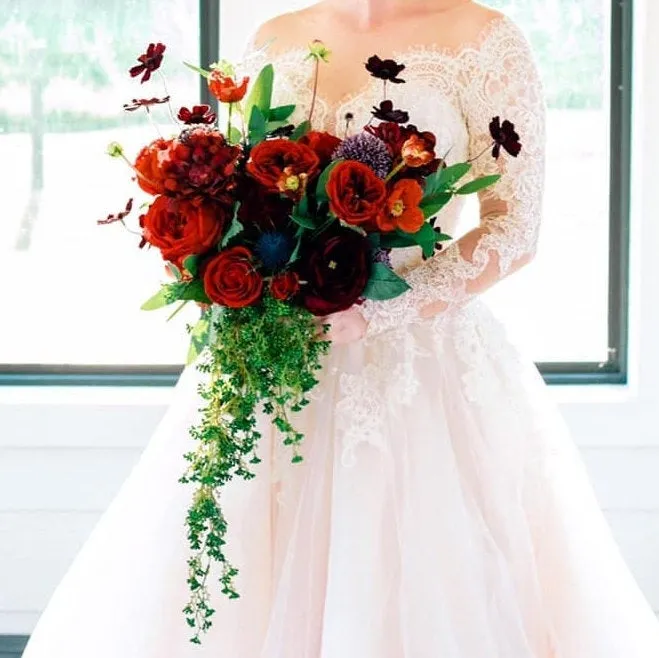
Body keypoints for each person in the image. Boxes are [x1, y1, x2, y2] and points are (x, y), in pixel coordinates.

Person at [21, 1, 659, 656]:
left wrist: (382, 311)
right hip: (274, 363)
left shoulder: (483, 38)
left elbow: (512, 228)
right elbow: (244, 194)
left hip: (418, 370)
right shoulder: (275, 39)